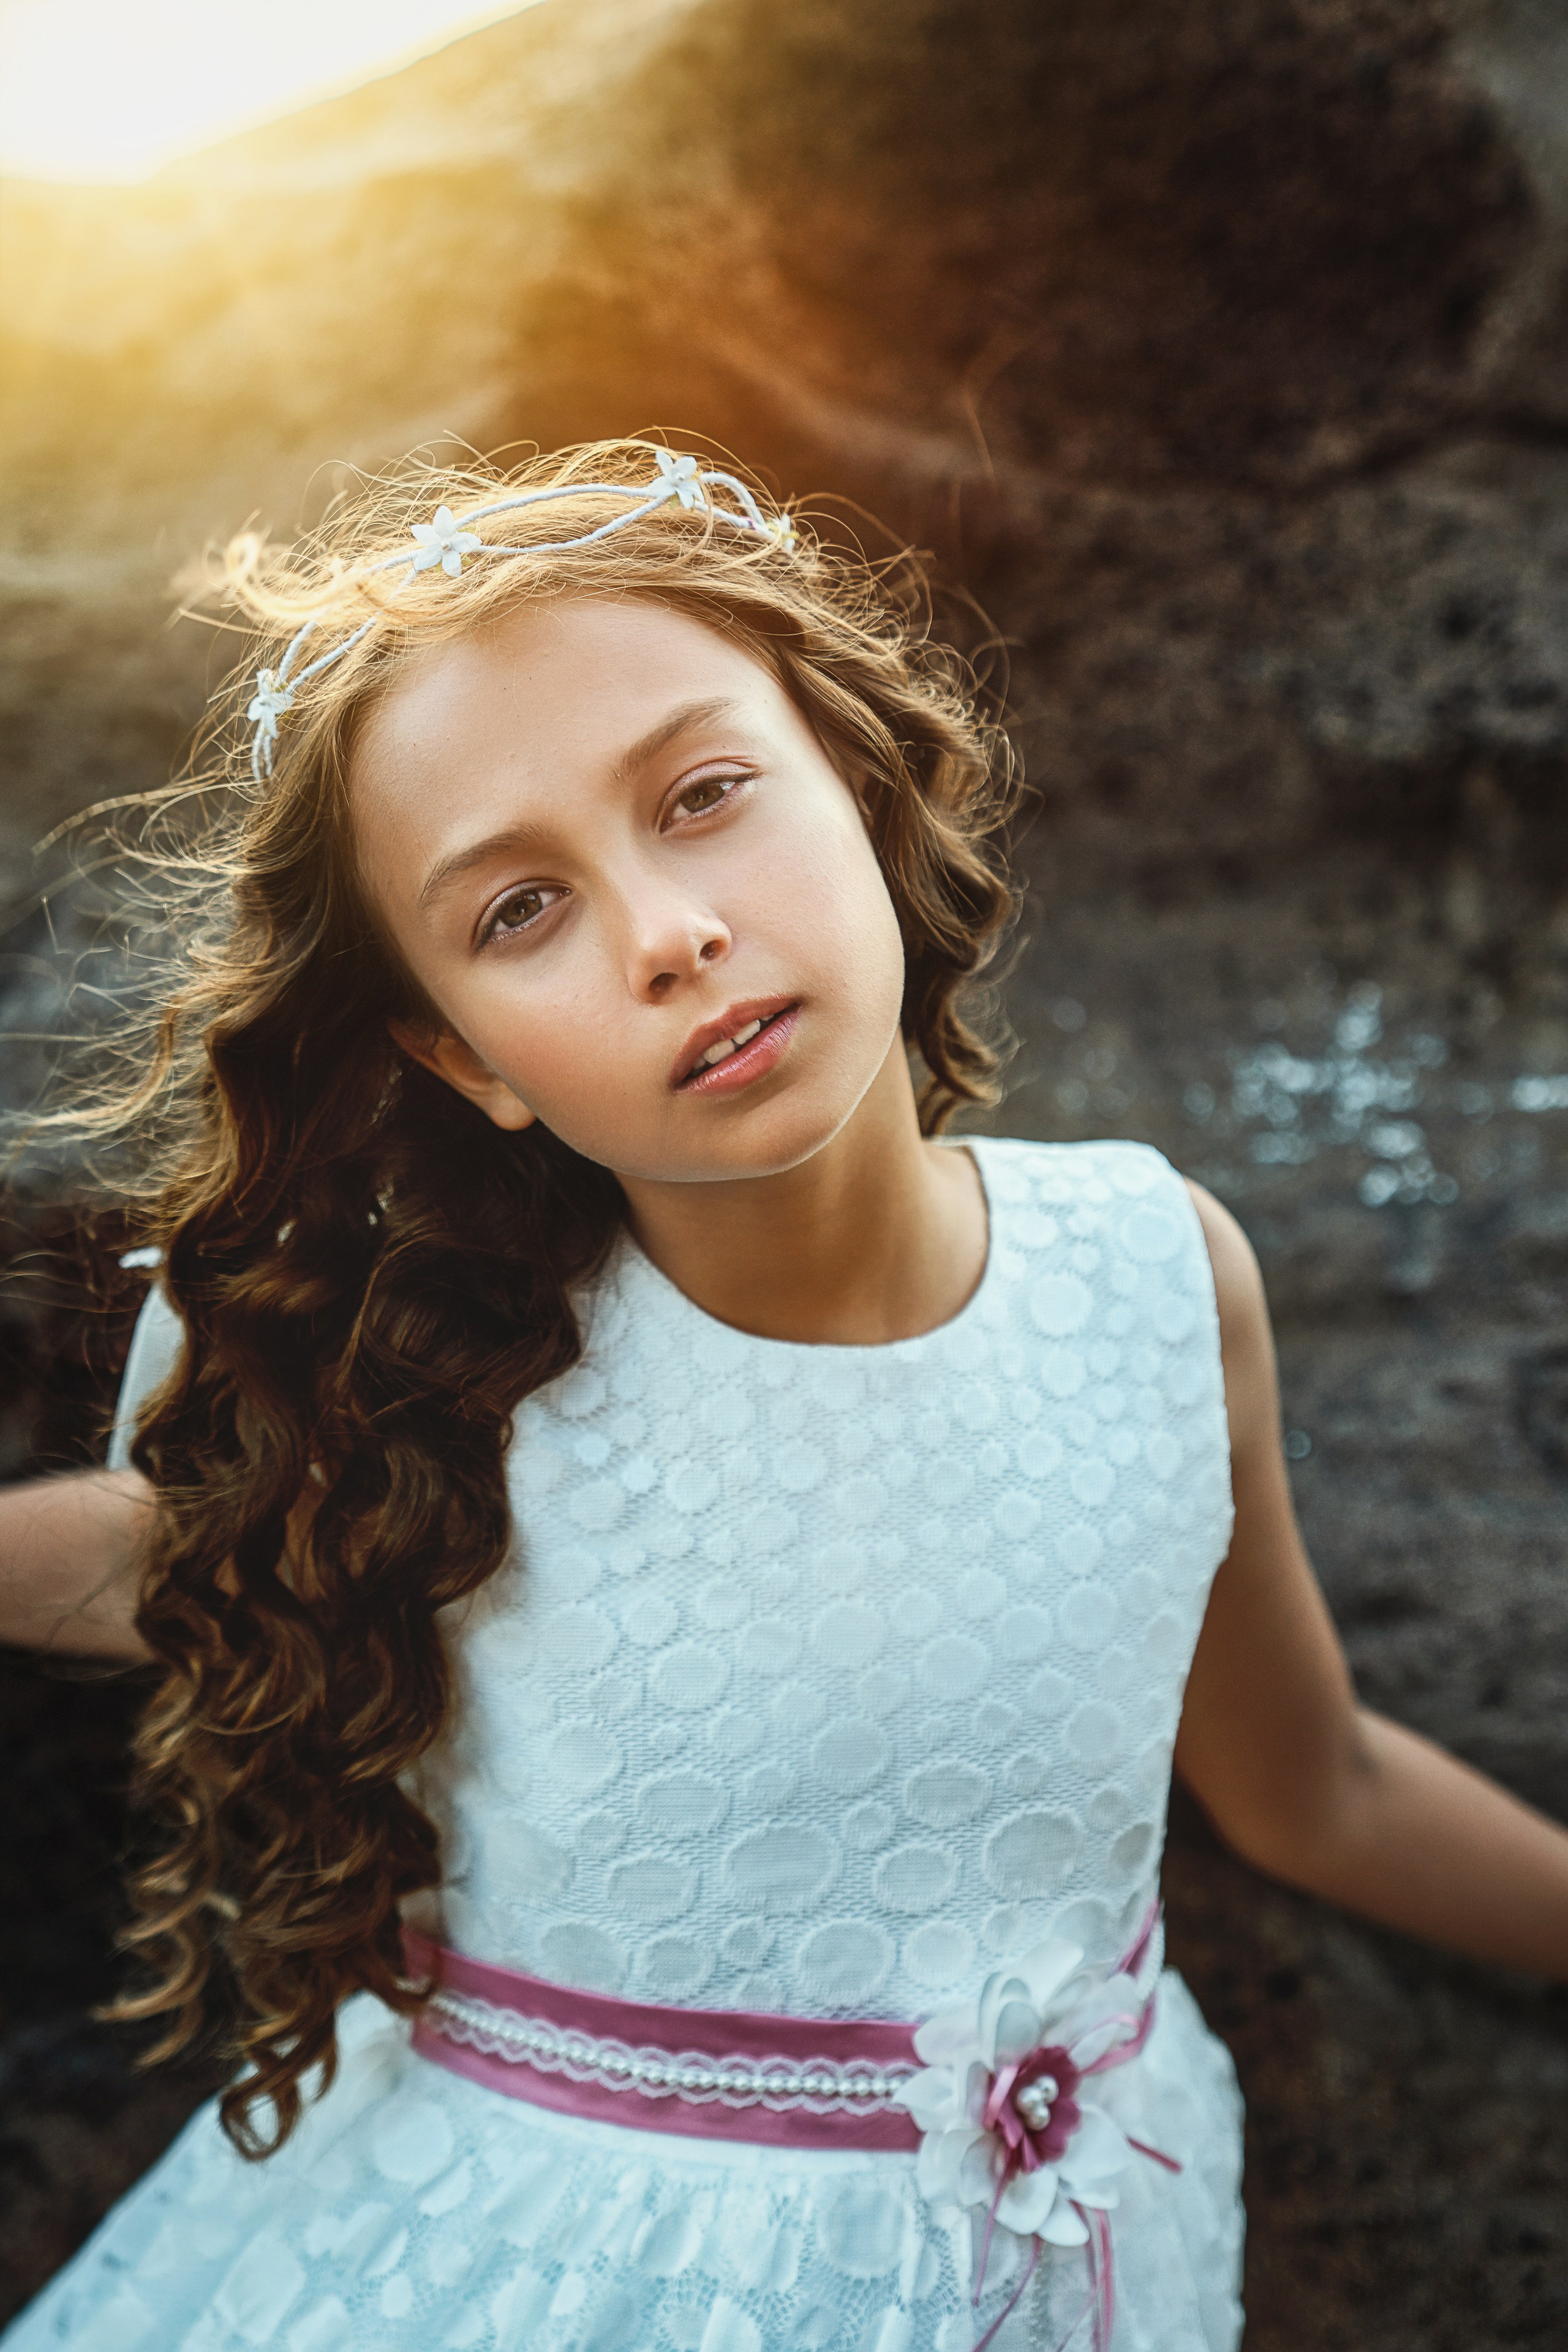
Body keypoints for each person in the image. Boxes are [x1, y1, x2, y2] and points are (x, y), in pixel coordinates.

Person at [1, 439, 1564, 2352]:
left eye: (707, 795)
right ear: (462, 1057)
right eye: (519, 913)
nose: (667, 932)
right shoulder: (434, 1406)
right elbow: (122, 1558)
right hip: (551, 2283)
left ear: (858, 772)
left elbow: (1309, 1784)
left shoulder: (1160, 1281)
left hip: (1093, 2259)